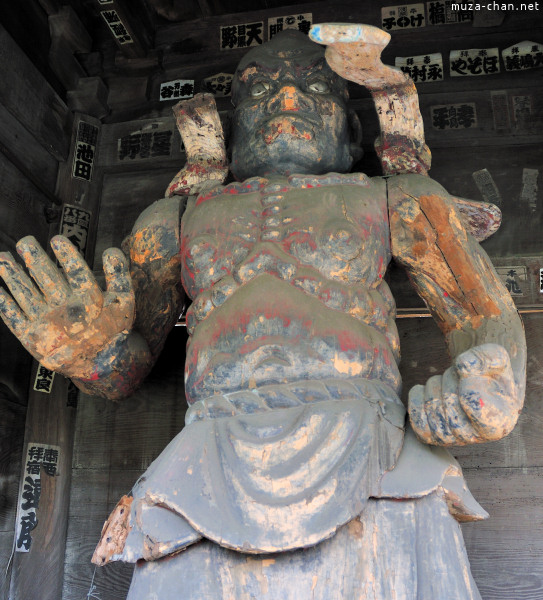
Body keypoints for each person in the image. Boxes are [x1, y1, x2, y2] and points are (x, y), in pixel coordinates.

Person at [0, 26, 526, 600]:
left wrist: (499, 386)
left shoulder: (394, 198)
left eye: (315, 90)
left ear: (352, 132)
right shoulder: (173, 218)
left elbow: (479, 313)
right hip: (209, 449)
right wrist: (92, 355)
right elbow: (128, 368)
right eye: (261, 90)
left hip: (368, 439)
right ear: (232, 126)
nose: (289, 101)